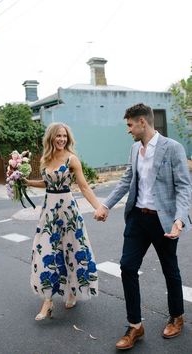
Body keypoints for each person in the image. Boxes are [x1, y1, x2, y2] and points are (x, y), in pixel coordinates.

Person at [94, 103, 192, 350]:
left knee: (170, 269)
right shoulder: (135, 148)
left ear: (142, 122)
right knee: (127, 266)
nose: (128, 130)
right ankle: (135, 325)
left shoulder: (173, 148)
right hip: (138, 218)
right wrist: (105, 205)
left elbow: (183, 187)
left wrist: (180, 219)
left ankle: (177, 316)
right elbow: (127, 180)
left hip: (164, 220)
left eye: (129, 125)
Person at [25, 122, 100, 320]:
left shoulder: (71, 159)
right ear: (51, 137)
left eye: (64, 136)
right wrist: (27, 182)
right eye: (58, 136)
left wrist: (98, 206)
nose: (61, 139)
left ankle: (73, 291)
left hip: (68, 212)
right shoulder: (45, 158)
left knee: (72, 251)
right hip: (49, 212)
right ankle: (48, 301)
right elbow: (47, 182)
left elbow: (83, 186)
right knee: (46, 252)